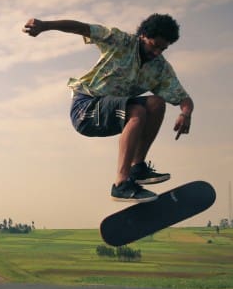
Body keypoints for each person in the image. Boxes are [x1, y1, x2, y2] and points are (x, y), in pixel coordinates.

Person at [23, 14, 193, 203]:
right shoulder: (119, 41)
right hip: (86, 109)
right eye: (154, 45)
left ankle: (138, 168)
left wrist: (186, 113)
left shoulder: (160, 68)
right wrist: (45, 25)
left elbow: (184, 98)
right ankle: (121, 184)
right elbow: (82, 28)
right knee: (137, 111)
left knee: (157, 103)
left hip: (111, 112)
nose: (157, 52)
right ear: (143, 35)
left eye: (163, 48)